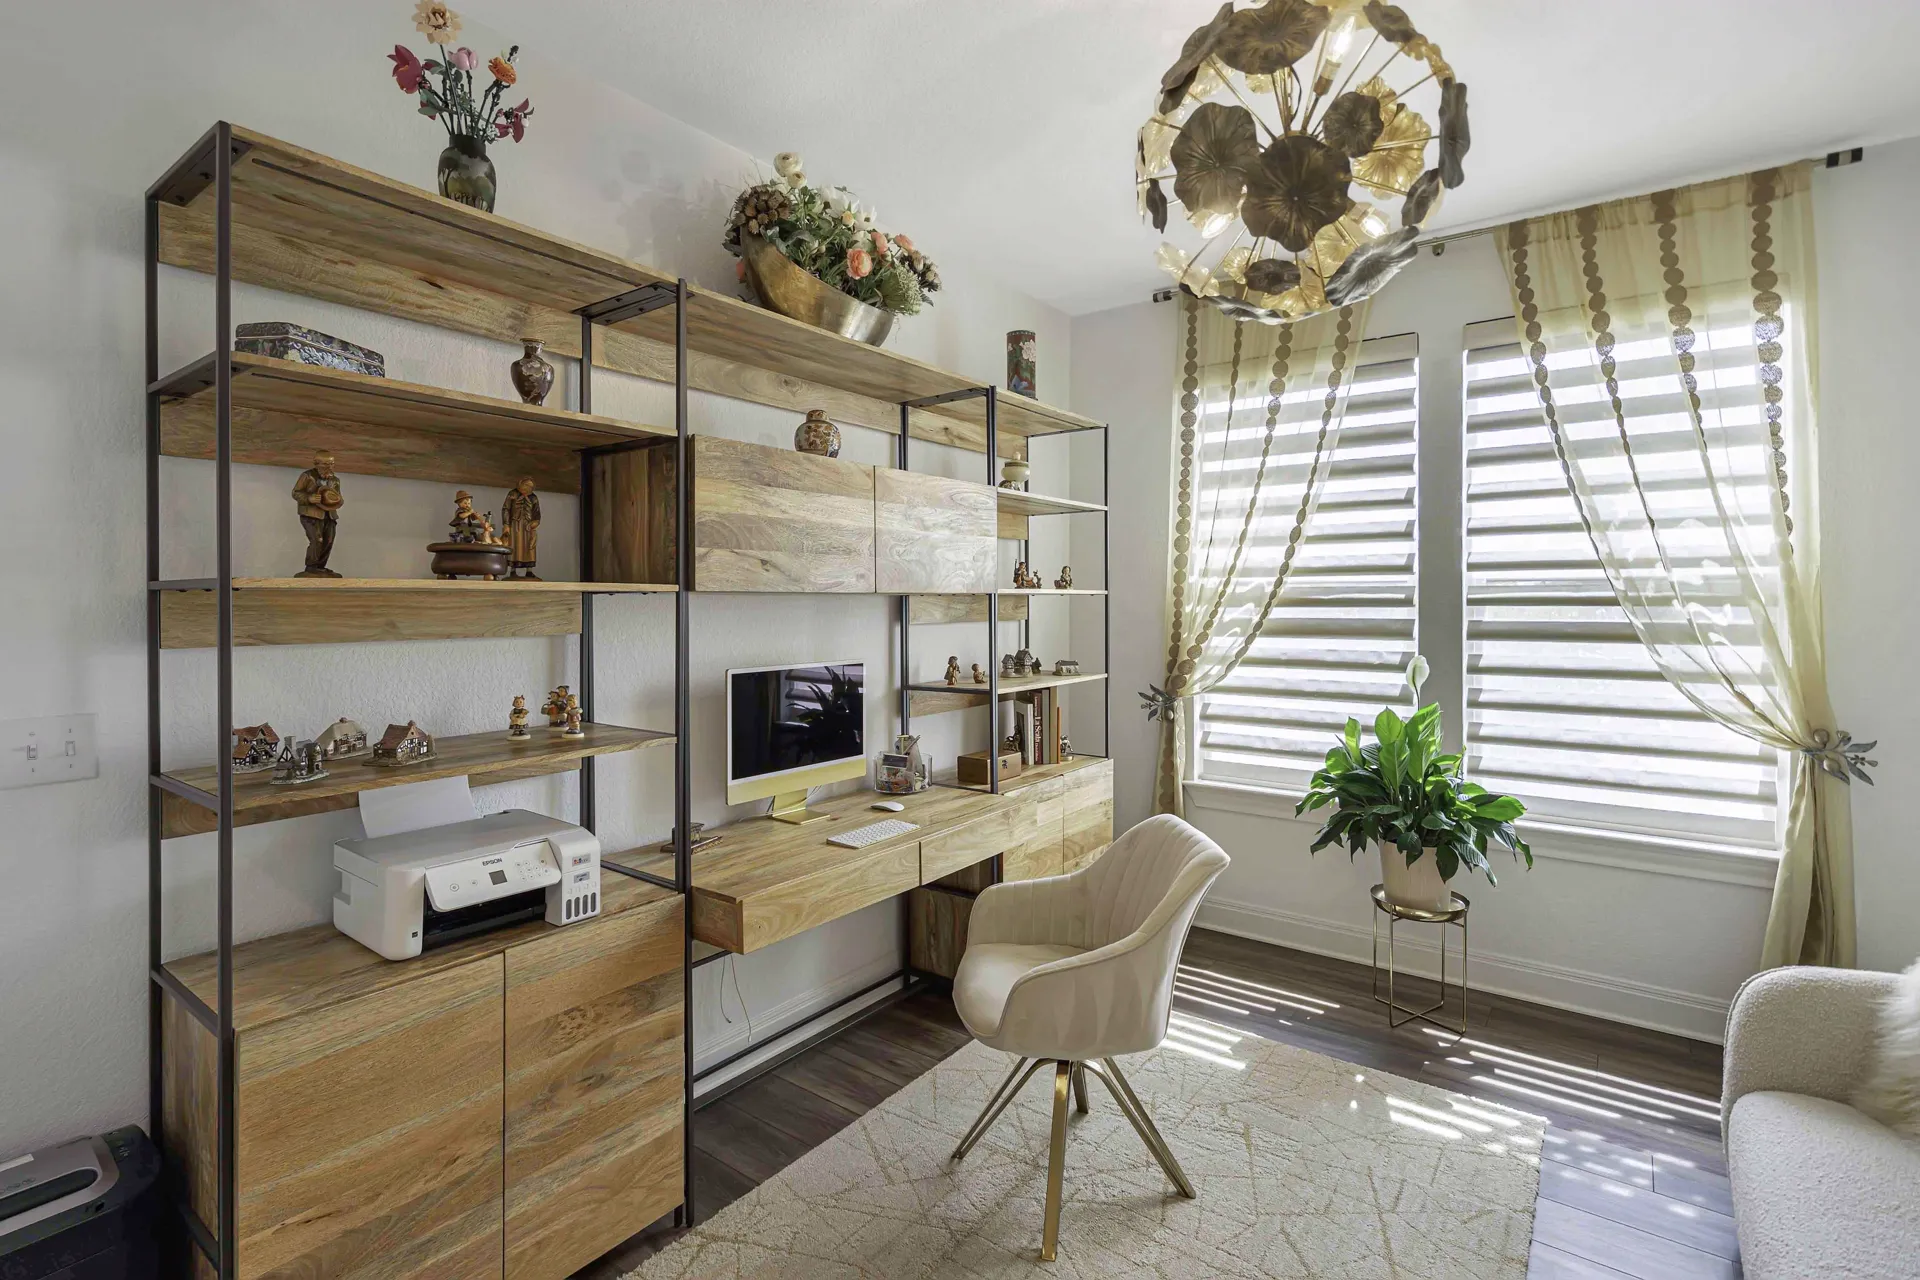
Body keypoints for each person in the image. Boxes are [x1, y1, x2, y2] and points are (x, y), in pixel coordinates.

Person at [292, 450, 343, 577]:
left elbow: (338, 496)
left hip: (329, 515)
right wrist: (309, 498)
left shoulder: (335, 480)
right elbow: (296, 493)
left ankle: (320, 567)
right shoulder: (307, 476)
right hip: (311, 514)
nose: (329, 467)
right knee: (317, 540)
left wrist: (338, 501)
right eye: (325, 464)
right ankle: (311, 567)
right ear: (316, 463)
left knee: (329, 540)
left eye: (331, 464)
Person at [502, 478, 541, 579]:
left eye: (529, 487)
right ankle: (513, 570)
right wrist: (506, 524)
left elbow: (537, 513)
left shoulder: (533, 498)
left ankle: (529, 571)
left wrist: (535, 522)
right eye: (525, 486)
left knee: (529, 546)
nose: (527, 489)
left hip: (528, 525)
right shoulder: (512, 494)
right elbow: (506, 508)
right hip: (515, 524)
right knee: (514, 545)